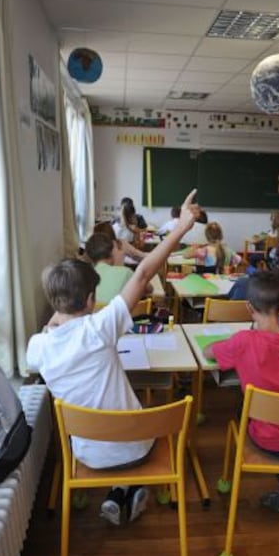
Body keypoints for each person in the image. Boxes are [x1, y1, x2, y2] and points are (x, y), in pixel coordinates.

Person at [26, 189, 197, 526]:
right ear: (91, 299)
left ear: (53, 302)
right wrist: (182, 227)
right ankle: (128, 489)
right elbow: (144, 273)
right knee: (135, 427)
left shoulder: (37, 348)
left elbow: (48, 333)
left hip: (86, 452)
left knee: (114, 436)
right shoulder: (101, 327)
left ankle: (121, 492)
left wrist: (53, 322)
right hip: (135, 446)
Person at [203, 271, 279, 512]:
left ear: (249, 307)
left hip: (270, 442)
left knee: (242, 407)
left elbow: (208, 352)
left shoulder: (243, 341)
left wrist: (218, 344)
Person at [83, 233, 152, 303]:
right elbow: (150, 289)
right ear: (112, 252)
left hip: (95, 313)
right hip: (124, 313)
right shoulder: (126, 272)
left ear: (90, 258)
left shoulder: (83, 277)